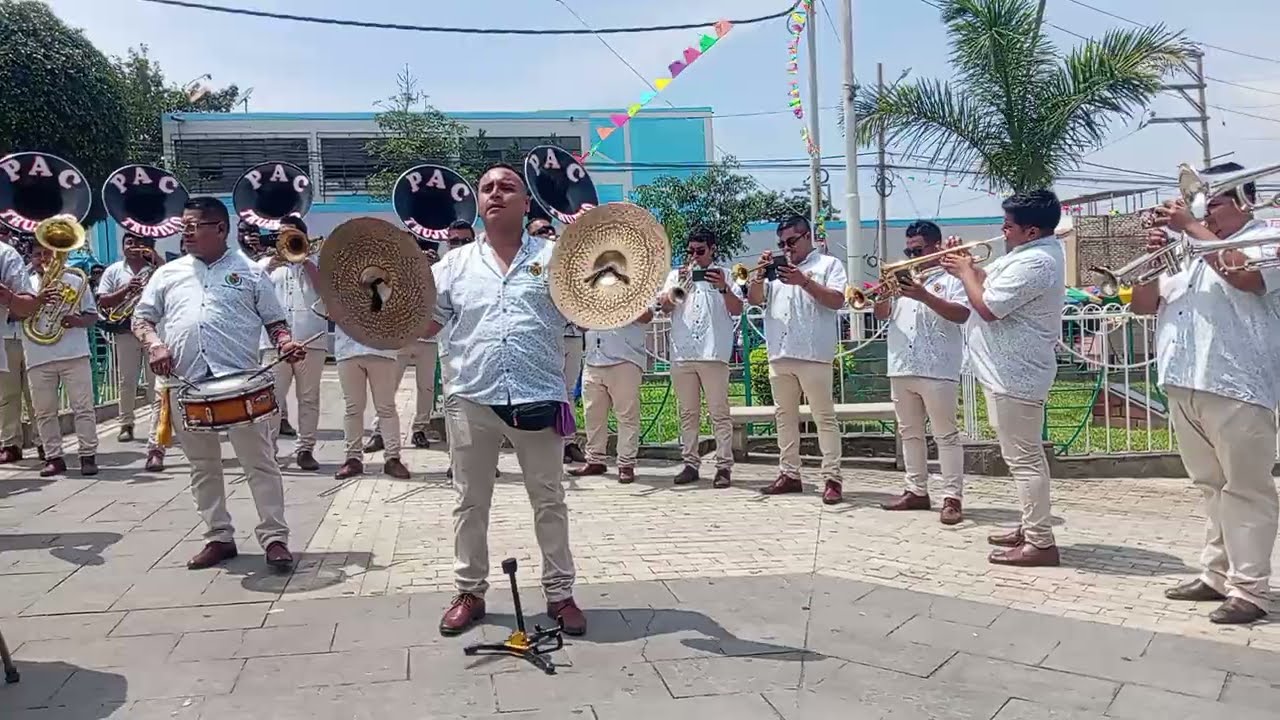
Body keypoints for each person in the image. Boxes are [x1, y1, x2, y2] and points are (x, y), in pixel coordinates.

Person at [427, 163, 585, 637]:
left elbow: (591, 309)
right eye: (487, 188)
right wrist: (377, 309)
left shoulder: (557, 258)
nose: (495, 193)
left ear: (526, 203)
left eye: (506, 187)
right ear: (478, 201)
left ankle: (560, 594)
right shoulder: (451, 265)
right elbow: (428, 326)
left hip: (539, 396)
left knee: (549, 500)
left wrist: (626, 298)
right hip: (471, 398)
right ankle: (470, 590)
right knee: (469, 502)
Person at [1129, 163, 1280, 625]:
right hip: (1184, 382)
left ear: (1243, 201)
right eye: (1200, 203)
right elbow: (1142, 306)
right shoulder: (1191, 251)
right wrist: (1153, 261)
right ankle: (1215, 574)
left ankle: (1251, 588)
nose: (1202, 210)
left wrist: (1192, 230)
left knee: (1247, 489)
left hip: (1239, 384)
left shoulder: (1267, 238)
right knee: (1210, 486)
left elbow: (1245, 277)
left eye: (1211, 202)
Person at [133, 196, 303, 572]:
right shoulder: (168, 274)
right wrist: (155, 345)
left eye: (195, 226)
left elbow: (275, 321)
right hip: (185, 383)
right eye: (184, 226)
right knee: (202, 466)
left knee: (259, 462)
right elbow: (141, 319)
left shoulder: (250, 271)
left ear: (221, 229)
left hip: (241, 381)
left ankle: (275, 537)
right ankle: (218, 537)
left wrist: (285, 343)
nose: (186, 233)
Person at [939, 190, 1065, 567]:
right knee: (1020, 458)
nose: (1001, 230)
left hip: (1017, 373)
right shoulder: (1025, 255)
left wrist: (965, 274)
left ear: (1030, 231)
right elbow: (989, 289)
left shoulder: (1038, 262)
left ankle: (1040, 542)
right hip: (1005, 371)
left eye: (1008, 225)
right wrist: (967, 269)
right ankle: (1030, 526)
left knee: (1024, 459)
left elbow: (989, 308)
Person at [745, 216, 848, 504]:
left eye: (791, 241)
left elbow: (837, 301)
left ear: (808, 237)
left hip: (814, 354)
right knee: (784, 417)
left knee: (824, 418)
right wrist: (758, 275)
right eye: (781, 243)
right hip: (780, 352)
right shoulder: (776, 272)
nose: (786, 248)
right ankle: (789, 473)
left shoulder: (828, 265)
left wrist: (804, 281)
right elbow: (755, 300)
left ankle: (832, 477)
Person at [875, 221, 971, 524]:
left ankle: (952, 497)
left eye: (917, 250)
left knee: (946, 435)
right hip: (902, 365)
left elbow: (962, 313)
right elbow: (880, 315)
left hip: (938, 366)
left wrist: (923, 295)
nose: (911, 256)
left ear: (935, 246)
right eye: (908, 250)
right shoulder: (903, 280)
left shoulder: (952, 276)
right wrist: (882, 294)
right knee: (909, 433)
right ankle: (916, 490)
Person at [656, 228, 742, 487]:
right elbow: (665, 307)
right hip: (683, 353)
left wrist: (723, 288)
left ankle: (724, 466)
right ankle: (690, 463)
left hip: (713, 353)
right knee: (687, 412)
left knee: (719, 412)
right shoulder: (676, 275)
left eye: (700, 251)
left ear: (713, 249)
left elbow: (738, 309)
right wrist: (679, 285)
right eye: (691, 250)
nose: (694, 255)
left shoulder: (725, 275)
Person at [23, 241, 101, 477]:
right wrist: (38, 299)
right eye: (38, 254)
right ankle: (53, 457)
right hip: (37, 355)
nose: (43, 259)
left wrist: (76, 321)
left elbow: (92, 315)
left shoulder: (75, 279)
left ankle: (88, 455)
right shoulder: (23, 282)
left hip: (74, 353)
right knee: (44, 411)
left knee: (83, 407)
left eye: (48, 253)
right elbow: (15, 313)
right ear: (31, 257)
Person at [256, 215, 326, 471]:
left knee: (309, 398)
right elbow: (252, 292)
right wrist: (270, 265)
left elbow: (325, 291)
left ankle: (305, 449)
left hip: (311, 339)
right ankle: (269, 450)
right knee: (272, 399)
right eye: (281, 234)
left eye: (292, 234)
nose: (286, 238)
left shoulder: (316, 262)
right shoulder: (265, 264)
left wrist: (306, 261)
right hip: (273, 343)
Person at [368, 239, 440, 453]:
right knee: (389, 386)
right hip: (402, 337)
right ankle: (379, 431)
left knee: (426, 387)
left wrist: (434, 267)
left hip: (429, 338)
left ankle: (420, 428)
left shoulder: (441, 270)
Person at [526, 217, 587, 464]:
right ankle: (545, 443)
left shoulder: (567, 261)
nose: (549, 233)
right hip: (542, 335)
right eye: (542, 231)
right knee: (543, 390)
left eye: (550, 229)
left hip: (571, 334)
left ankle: (568, 442)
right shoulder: (529, 264)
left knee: (568, 391)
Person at [569, 310, 655, 483]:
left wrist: (621, 302)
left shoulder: (636, 288)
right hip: (594, 359)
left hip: (625, 359)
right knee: (592, 415)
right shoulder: (594, 290)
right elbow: (582, 326)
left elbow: (648, 316)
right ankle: (594, 460)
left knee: (627, 416)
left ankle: (626, 463)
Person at [96, 233, 164, 449]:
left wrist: (155, 257)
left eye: (138, 243)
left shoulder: (155, 269)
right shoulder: (114, 270)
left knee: (157, 381)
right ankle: (126, 423)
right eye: (129, 243)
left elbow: (169, 280)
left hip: (152, 330)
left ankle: (160, 425)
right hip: (125, 331)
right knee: (127, 381)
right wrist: (127, 289)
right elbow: (103, 301)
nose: (133, 247)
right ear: (122, 246)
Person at [333, 323, 412, 480]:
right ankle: (353, 458)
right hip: (347, 349)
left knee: (386, 407)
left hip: (383, 349)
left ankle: (392, 458)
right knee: (353, 408)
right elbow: (323, 307)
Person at [0, 228, 38, 464]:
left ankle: (44, 441)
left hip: (30, 336)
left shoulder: (7, 255)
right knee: (7, 394)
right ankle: (9, 443)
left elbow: (28, 304)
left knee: (35, 392)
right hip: (5, 335)